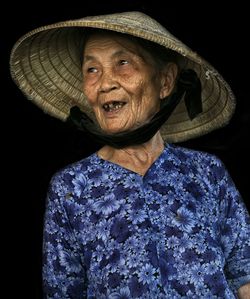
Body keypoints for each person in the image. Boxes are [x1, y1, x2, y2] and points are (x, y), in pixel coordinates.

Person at [10, 11, 250, 299]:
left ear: (165, 82)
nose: (104, 83)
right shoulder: (71, 187)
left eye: (122, 63)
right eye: (92, 70)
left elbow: (244, 275)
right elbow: (63, 292)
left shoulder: (207, 172)